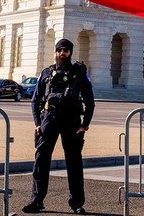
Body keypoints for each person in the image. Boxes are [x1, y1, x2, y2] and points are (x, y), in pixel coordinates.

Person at [22, 38, 95, 214]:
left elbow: (89, 100)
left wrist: (84, 125)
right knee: (41, 160)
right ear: (55, 52)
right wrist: (37, 123)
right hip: (49, 119)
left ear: (70, 52)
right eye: (59, 50)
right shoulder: (47, 73)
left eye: (66, 50)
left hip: (71, 120)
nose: (62, 53)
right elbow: (36, 100)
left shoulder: (79, 73)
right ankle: (36, 200)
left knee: (74, 162)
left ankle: (76, 203)